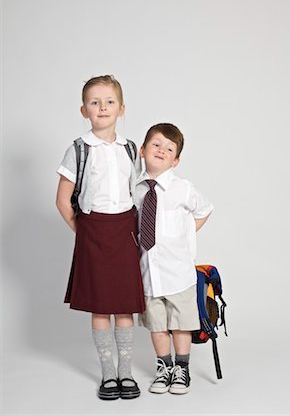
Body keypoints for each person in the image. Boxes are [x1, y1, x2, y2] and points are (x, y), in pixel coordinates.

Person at [56, 75, 145, 401]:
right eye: (95, 102)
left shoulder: (130, 149)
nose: (102, 107)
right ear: (84, 110)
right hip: (93, 231)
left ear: (121, 109)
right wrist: (84, 233)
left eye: (109, 102)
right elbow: (63, 200)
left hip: (124, 230)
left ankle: (126, 371)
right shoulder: (78, 150)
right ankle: (108, 374)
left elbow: (137, 192)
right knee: (100, 307)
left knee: (124, 307)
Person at [135, 123, 213, 395]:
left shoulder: (182, 188)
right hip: (149, 274)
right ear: (142, 150)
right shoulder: (136, 189)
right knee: (156, 325)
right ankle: (163, 367)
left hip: (178, 274)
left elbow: (205, 208)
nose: (161, 150)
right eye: (155, 144)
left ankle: (182, 368)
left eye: (169, 148)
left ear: (176, 159)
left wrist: (186, 234)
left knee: (180, 325)